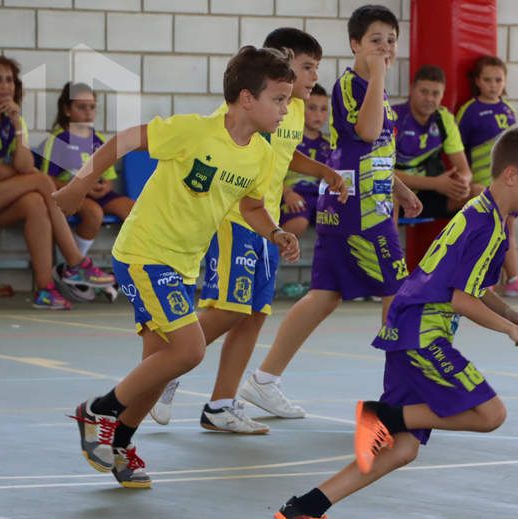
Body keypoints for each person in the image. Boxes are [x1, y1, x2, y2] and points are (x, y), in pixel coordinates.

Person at [273, 126, 518, 519]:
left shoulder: (487, 217)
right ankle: (384, 416)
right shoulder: (485, 225)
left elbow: (474, 286)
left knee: (401, 451)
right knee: (490, 414)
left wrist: (512, 312)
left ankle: (305, 510)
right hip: (422, 335)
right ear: (512, 175)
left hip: (409, 329)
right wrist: (510, 329)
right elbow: (462, 300)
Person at [54, 46, 300, 488]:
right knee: (189, 350)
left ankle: (121, 443)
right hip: (145, 253)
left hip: (183, 265)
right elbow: (126, 139)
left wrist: (275, 232)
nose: (286, 109)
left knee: (160, 363)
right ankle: (97, 411)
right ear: (247, 98)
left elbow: (250, 205)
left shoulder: (260, 154)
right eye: (279, 99)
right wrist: (79, 184)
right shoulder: (195, 131)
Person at [149, 29, 346, 433]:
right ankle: (165, 366)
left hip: (267, 223)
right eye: (307, 67)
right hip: (237, 218)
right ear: (284, 62)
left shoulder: (289, 111)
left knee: (254, 314)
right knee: (229, 306)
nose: (312, 77)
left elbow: (289, 156)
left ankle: (221, 404)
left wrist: (324, 170)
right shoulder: (260, 108)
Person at [235, 4, 422, 420]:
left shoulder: (374, 87)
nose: (385, 48)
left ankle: (264, 381)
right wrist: (377, 76)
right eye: (375, 40)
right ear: (355, 44)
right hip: (360, 212)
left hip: (358, 198)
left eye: (391, 41)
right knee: (398, 292)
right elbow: (368, 132)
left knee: (324, 296)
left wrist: (400, 187)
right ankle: (401, 393)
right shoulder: (353, 86)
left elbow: (371, 150)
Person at [0, 55, 113, 310]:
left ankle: (45, 290)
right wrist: (24, 174)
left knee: (35, 202)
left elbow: (22, 166)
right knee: (42, 181)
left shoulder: (13, 119)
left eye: (10, 80)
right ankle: (75, 263)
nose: (5, 86)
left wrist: (18, 125)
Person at [456, 55, 518, 298]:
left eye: (498, 80)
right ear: (477, 82)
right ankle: (482, 280)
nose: (493, 85)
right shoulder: (470, 111)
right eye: (487, 80)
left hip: (509, 183)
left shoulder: (508, 109)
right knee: (485, 229)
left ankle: (513, 279)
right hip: (483, 183)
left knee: (507, 230)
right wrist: (468, 180)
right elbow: (457, 147)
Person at [38, 82, 135, 258]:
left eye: (91, 107)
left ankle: (136, 265)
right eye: (81, 107)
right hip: (73, 193)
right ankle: (74, 265)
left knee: (133, 210)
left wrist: (105, 186)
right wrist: (80, 187)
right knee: (94, 214)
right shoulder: (57, 140)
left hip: (97, 193)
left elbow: (108, 176)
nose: (88, 112)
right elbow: (46, 180)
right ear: (67, 110)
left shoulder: (98, 139)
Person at [393, 64, 474, 218]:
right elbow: (384, 174)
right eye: (424, 92)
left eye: (435, 93)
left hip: (431, 194)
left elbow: (464, 170)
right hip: (399, 194)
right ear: (412, 90)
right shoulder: (393, 118)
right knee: (389, 199)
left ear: (442, 95)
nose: (429, 98)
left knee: (479, 193)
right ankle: (391, 243)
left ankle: (462, 243)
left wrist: (461, 182)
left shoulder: (444, 119)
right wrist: (436, 183)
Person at [281, 83, 332, 237]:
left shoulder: (329, 145)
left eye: (323, 110)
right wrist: (288, 194)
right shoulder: (289, 140)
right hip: (294, 196)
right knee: (300, 220)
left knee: (341, 219)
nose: (318, 115)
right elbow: (273, 173)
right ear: (300, 108)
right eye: (312, 108)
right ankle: (271, 254)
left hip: (321, 198)